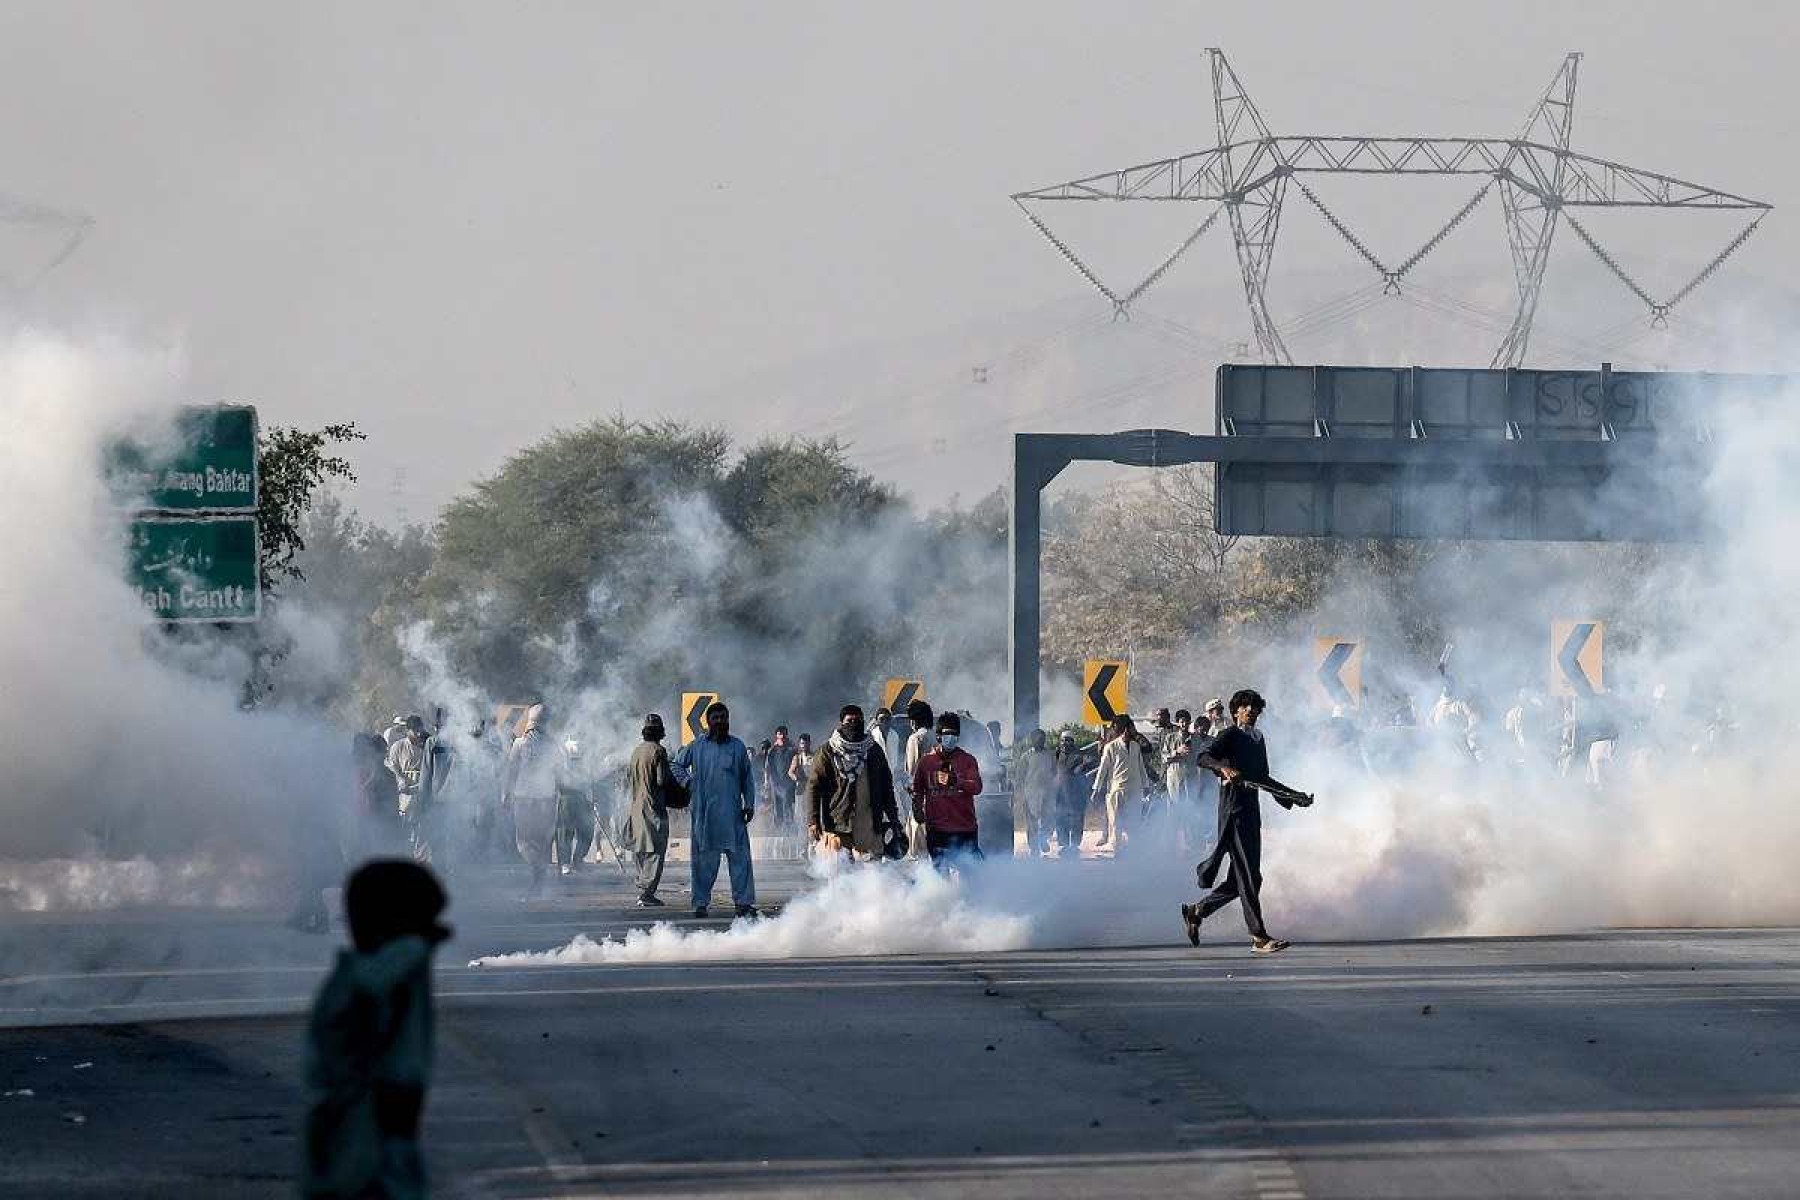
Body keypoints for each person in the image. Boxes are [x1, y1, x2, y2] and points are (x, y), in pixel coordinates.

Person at [302, 859, 451, 1200]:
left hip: (378, 1138)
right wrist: (415, 948)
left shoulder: (376, 979)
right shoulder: (362, 985)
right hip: (359, 1137)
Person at [1183, 688, 1313, 954]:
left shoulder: (1257, 738)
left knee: (1246, 878)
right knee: (1248, 877)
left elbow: (1263, 778)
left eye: (1255, 707)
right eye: (1245, 707)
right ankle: (1258, 937)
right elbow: (1202, 757)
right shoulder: (1229, 734)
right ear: (1235, 711)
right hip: (1233, 810)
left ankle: (1198, 911)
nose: (1251, 711)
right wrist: (1223, 768)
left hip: (1251, 811)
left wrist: (1293, 796)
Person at [672, 701, 759, 918]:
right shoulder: (697, 746)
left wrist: (749, 803)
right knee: (703, 863)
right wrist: (688, 782)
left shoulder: (737, 746)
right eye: (715, 718)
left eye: (723, 717)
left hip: (732, 814)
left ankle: (744, 903)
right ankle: (700, 904)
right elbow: (675, 765)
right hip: (705, 815)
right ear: (708, 721)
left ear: (728, 720)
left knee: (740, 860)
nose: (719, 721)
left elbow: (747, 778)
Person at [807, 704, 906, 860]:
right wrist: (813, 820)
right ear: (841, 724)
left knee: (872, 871)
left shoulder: (873, 750)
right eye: (849, 721)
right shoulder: (828, 751)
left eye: (858, 720)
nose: (854, 724)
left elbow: (886, 787)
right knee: (840, 872)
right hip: (838, 820)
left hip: (869, 820)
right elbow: (814, 786)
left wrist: (893, 818)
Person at [500, 703, 559, 901]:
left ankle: (537, 880)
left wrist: (505, 794)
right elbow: (560, 772)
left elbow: (511, 771)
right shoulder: (552, 744)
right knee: (542, 842)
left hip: (525, 798)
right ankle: (538, 881)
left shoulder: (519, 743)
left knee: (524, 842)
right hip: (546, 799)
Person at [912, 711, 983, 866]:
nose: (951, 737)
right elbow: (918, 790)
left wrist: (956, 781)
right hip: (937, 830)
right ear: (938, 736)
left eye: (954, 734)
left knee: (970, 872)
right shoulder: (926, 762)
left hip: (964, 828)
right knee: (940, 872)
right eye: (947, 733)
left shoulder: (968, 760)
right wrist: (917, 808)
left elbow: (977, 787)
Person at [623, 714, 674, 907]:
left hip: (636, 806)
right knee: (656, 850)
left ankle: (643, 888)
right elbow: (662, 781)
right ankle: (646, 893)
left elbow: (630, 780)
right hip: (653, 807)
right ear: (660, 732)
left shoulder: (636, 751)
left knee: (641, 848)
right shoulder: (659, 751)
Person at [1091, 714, 1152, 854]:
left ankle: (1133, 850)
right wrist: (1096, 789)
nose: (1127, 731)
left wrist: (1146, 785)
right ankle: (1116, 849)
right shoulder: (1111, 747)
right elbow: (1103, 769)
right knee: (1116, 821)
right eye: (1124, 728)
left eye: (1129, 728)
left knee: (1134, 820)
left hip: (1135, 789)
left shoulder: (1136, 746)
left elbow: (1141, 767)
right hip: (1117, 789)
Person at [553, 737, 596, 877]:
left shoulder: (586, 758)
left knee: (586, 830)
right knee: (565, 832)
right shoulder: (561, 756)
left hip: (582, 797)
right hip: (566, 797)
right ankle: (565, 863)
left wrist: (590, 797)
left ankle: (578, 860)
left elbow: (589, 779)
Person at [1011, 729, 1056, 855]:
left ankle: (1043, 839)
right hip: (1031, 793)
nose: (1040, 741)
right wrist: (1019, 794)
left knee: (1048, 819)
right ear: (1032, 740)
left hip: (1047, 792)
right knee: (1032, 822)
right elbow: (1020, 776)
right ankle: (1034, 847)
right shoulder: (1026, 757)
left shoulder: (1049, 755)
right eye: (1037, 739)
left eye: (1042, 739)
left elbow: (1054, 772)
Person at [1050, 731, 1093, 857]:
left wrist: (1083, 765)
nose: (1065, 743)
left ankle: (1074, 844)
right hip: (1060, 792)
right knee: (1060, 817)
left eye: (1068, 740)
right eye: (1063, 740)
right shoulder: (1057, 754)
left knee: (1076, 819)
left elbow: (1077, 769)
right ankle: (1063, 844)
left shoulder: (1079, 755)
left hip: (1075, 792)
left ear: (1072, 742)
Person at [902, 699, 935, 857]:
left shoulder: (915, 739)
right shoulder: (936, 736)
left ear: (914, 720)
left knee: (918, 839)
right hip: (939, 795)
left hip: (921, 796)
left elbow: (913, 769)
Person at [765, 727, 798, 833]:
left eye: (784, 734)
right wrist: (766, 781)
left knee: (788, 805)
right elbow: (767, 767)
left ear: (786, 735)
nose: (782, 736)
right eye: (780, 734)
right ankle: (778, 829)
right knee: (777, 805)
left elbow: (797, 764)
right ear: (776, 735)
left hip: (788, 782)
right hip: (775, 782)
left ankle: (789, 829)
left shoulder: (791, 749)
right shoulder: (772, 751)